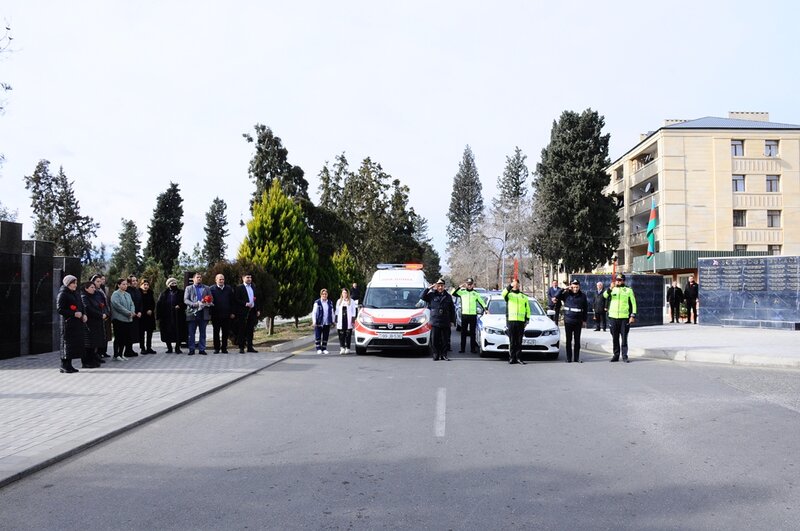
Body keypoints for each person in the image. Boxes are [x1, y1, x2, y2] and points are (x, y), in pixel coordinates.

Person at [603, 273, 637, 363]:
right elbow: (604, 296)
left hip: (624, 318)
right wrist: (610, 288)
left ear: (623, 281)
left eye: (620, 280)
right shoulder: (612, 289)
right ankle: (616, 355)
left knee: (624, 337)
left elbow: (633, 303)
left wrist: (633, 315)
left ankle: (624, 356)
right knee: (615, 337)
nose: (618, 281)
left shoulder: (628, 290)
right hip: (613, 317)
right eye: (617, 280)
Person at [56, 275, 86, 373]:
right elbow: (60, 309)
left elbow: (81, 305)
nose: (75, 285)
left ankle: (69, 364)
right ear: (67, 283)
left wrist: (84, 314)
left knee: (72, 344)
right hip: (67, 323)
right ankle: (64, 365)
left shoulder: (75, 293)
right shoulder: (63, 294)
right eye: (73, 283)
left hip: (76, 323)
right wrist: (73, 313)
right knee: (66, 343)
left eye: (76, 283)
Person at [421, 278, 455, 361]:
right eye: (438, 286)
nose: (440, 287)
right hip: (435, 320)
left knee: (445, 340)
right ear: (436, 286)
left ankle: (444, 355)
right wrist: (429, 288)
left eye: (442, 286)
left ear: (444, 286)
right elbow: (422, 296)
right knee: (434, 339)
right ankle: (436, 354)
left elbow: (452, 309)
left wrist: (452, 321)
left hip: (445, 320)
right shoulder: (432, 295)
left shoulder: (448, 296)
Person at [451, 277, 487, 353]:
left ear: (473, 285)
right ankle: (462, 349)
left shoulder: (476, 293)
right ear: (466, 284)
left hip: (473, 315)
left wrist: (486, 309)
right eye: (468, 284)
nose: (469, 285)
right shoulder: (462, 292)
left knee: (472, 333)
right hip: (464, 315)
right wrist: (459, 287)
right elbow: (453, 293)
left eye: (470, 284)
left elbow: (482, 302)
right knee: (463, 333)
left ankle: (472, 349)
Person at [557, 280, 589, 363]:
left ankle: (576, 358)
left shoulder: (583, 296)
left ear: (579, 287)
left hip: (578, 321)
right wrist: (564, 288)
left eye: (577, 287)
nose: (575, 289)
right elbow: (556, 296)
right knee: (568, 340)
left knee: (577, 341)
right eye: (573, 287)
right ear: (571, 287)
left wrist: (584, 320)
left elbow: (585, 308)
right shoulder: (566, 294)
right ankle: (569, 358)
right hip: (568, 321)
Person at [502, 278, 531, 365]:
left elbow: (528, 309)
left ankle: (518, 358)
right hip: (511, 320)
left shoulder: (524, 296)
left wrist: (527, 319)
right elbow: (503, 294)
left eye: (517, 283)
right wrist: (510, 285)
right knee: (512, 341)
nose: (516, 285)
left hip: (521, 321)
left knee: (519, 341)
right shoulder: (509, 295)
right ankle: (511, 358)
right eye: (514, 284)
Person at [184, 272, 212, 355]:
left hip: (203, 313)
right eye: (197, 277)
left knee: (202, 332)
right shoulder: (189, 288)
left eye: (200, 277)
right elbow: (185, 299)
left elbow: (211, 298)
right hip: (192, 312)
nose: (199, 278)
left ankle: (202, 349)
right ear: (193, 279)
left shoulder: (206, 288)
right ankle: (191, 349)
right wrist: (194, 304)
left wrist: (207, 302)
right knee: (191, 332)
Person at [80, 281, 105, 368]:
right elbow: (88, 308)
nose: (94, 289)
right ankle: (86, 361)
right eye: (92, 287)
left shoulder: (95, 296)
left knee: (94, 343)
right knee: (88, 344)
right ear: (86, 288)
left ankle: (92, 359)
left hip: (96, 322)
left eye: (94, 287)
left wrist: (103, 313)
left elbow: (100, 305)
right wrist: (100, 314)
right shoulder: (84, 297)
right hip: (89, 323)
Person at [110, 278, 136, 361]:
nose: (125, 286)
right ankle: (116, 354)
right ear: (119, 285)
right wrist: (128, 312)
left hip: (127, 319)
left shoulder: (127, 294)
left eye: (126, 284)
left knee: (125, 338)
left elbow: (132, 304)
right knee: (118, 337)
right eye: (123, 284)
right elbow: (117, 306)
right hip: (118, 319)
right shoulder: (115, 294)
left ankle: (121, 353)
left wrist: (132, 312)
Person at [209, 273, 236, 353]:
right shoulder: (211, 289)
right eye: (220, 279)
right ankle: (216, 348)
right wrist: (210, 313)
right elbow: (209, 302)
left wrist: (232, 312)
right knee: (216, 332)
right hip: (215, 315)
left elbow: (232, 301)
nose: (221, 281)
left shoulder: (228, 288)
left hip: (226, 314)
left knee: (225, 332)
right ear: (216, 280)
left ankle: (224, 348)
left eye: (223, 279)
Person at [156, 278, 184, 353]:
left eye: (175, 283)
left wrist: (180, 306)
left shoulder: (181, 292)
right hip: (166, 317)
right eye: (172, 284)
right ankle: (169, 348)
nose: (174, 285)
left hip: (178, 316)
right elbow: (159, 305)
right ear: (168, 285)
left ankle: (177, 348)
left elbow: (184, 302)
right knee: (167, 332)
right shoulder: (164, 293)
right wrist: (158, 316)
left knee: (178, 332)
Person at [235, 273, 260, 353]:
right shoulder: (239, 288)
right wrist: (245, 303)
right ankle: (241, 347)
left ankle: (250, 347)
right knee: (242, 330)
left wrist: (257, 310)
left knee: (250, 330)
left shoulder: (253, 287)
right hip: (243, 311)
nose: (249, 279)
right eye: (247, 277)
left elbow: (256, 299)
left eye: (250, 277)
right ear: (243, 278)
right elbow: (236, 299)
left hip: (252, 311)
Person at [90, 274, 112, 358]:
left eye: (102, 280)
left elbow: (106, 302)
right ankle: (97, 353)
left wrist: (107, 313)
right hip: (98, 316)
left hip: (105, 314)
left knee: (105, 334)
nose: (101, 282)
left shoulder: (103, 289)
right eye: (98, 281)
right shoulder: (93, 292)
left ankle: (103, 351)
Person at [311, 288, 335, 354]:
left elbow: (332, 312)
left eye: (325, 294)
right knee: (318, 336)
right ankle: (318, 349)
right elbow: (314, 313)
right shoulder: (317, 302)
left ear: (327, 295)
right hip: (319, 322)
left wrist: (333, 321)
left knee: (325, 336)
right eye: (323, 294)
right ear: (321, 295)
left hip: (327, 322)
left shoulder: (330, 302)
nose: (324, 295)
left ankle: (324, 348)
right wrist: (314, 322)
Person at [335, 288, 357, 354]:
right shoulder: (339, 301)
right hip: (341, 320)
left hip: (348, 320)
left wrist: (353, 320)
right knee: (341, 335)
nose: (345, 294)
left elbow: (354, 311)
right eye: (343, 293)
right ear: (342, 293)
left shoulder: (351, 301)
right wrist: (336, 320)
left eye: (346, 293)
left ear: (348, 293)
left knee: (348, 335)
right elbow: (337, 311)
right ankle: (342, 347)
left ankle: (348, 348)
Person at [125, 275, 143, 357]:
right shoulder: (127, 291)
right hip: (130, 315)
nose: (135, 282)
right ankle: (127, 350)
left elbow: (141, 302)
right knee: (128, 333)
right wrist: (132, 312)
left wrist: (140, 311)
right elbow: (127, 303)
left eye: (136, 280)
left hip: (137, 315)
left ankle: (130, 349)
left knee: (134, 334)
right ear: (129, 282)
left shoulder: (138, 291)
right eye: (133, 281)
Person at [139, 279, 157, 353]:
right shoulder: (138, 293)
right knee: (141, 333)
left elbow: (153, 303)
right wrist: (144, 310)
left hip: (150, 315)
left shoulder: (150, 292)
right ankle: (142, 348)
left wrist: (151, 310)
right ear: (141, 285)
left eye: (147, 285)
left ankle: (149, 347)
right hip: (142, 315)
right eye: (144, 284)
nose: (146, 286)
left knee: (150, 332)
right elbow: (139, 303)